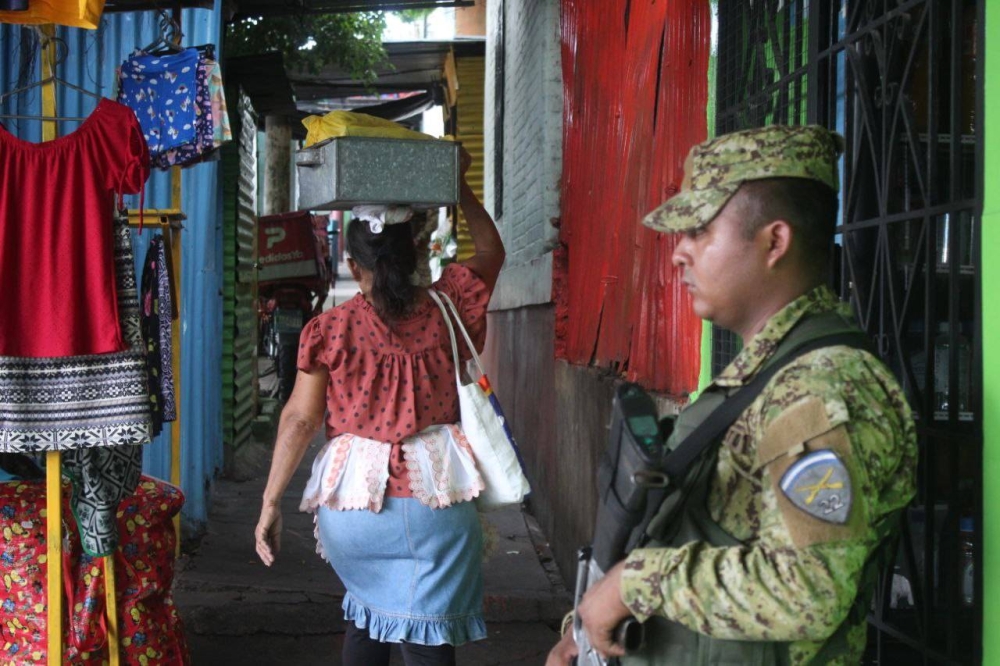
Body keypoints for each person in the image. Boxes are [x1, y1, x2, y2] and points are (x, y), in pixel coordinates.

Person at [547, 125, 917, 665]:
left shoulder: (819, 391)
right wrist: (586, 628)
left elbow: (808, 591)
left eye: (699, 231)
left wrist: (635, 584)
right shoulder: (764, 375)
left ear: (775, 242)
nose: (679, 254)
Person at [255, 147, 505, 666]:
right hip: (434, 501)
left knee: (365, 620)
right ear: (416, 255)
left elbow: (300, 418)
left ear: (352, 265)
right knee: (427, 641)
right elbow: (491, 249)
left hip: (355, 510)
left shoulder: (329, 329)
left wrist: (271, 503)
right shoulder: (451, 303)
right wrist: (458, 185)